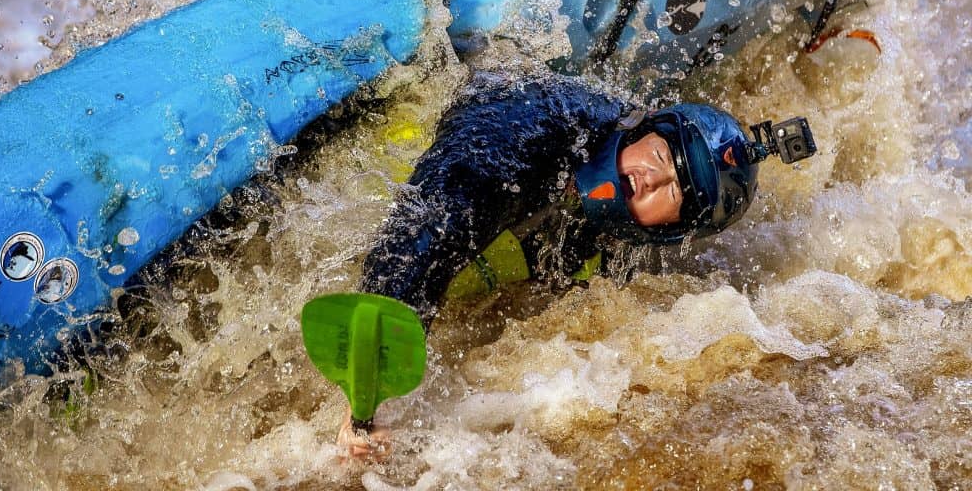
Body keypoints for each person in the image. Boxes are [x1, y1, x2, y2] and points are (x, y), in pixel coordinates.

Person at [335, 71, 815, 457]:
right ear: (644, 129)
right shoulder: (539, 123)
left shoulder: (622, 254)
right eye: (661, 154)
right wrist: (367, 398)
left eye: (673, 189)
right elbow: (430, 224)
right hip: (386, 168)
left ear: (667, 229)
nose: (648, 179)